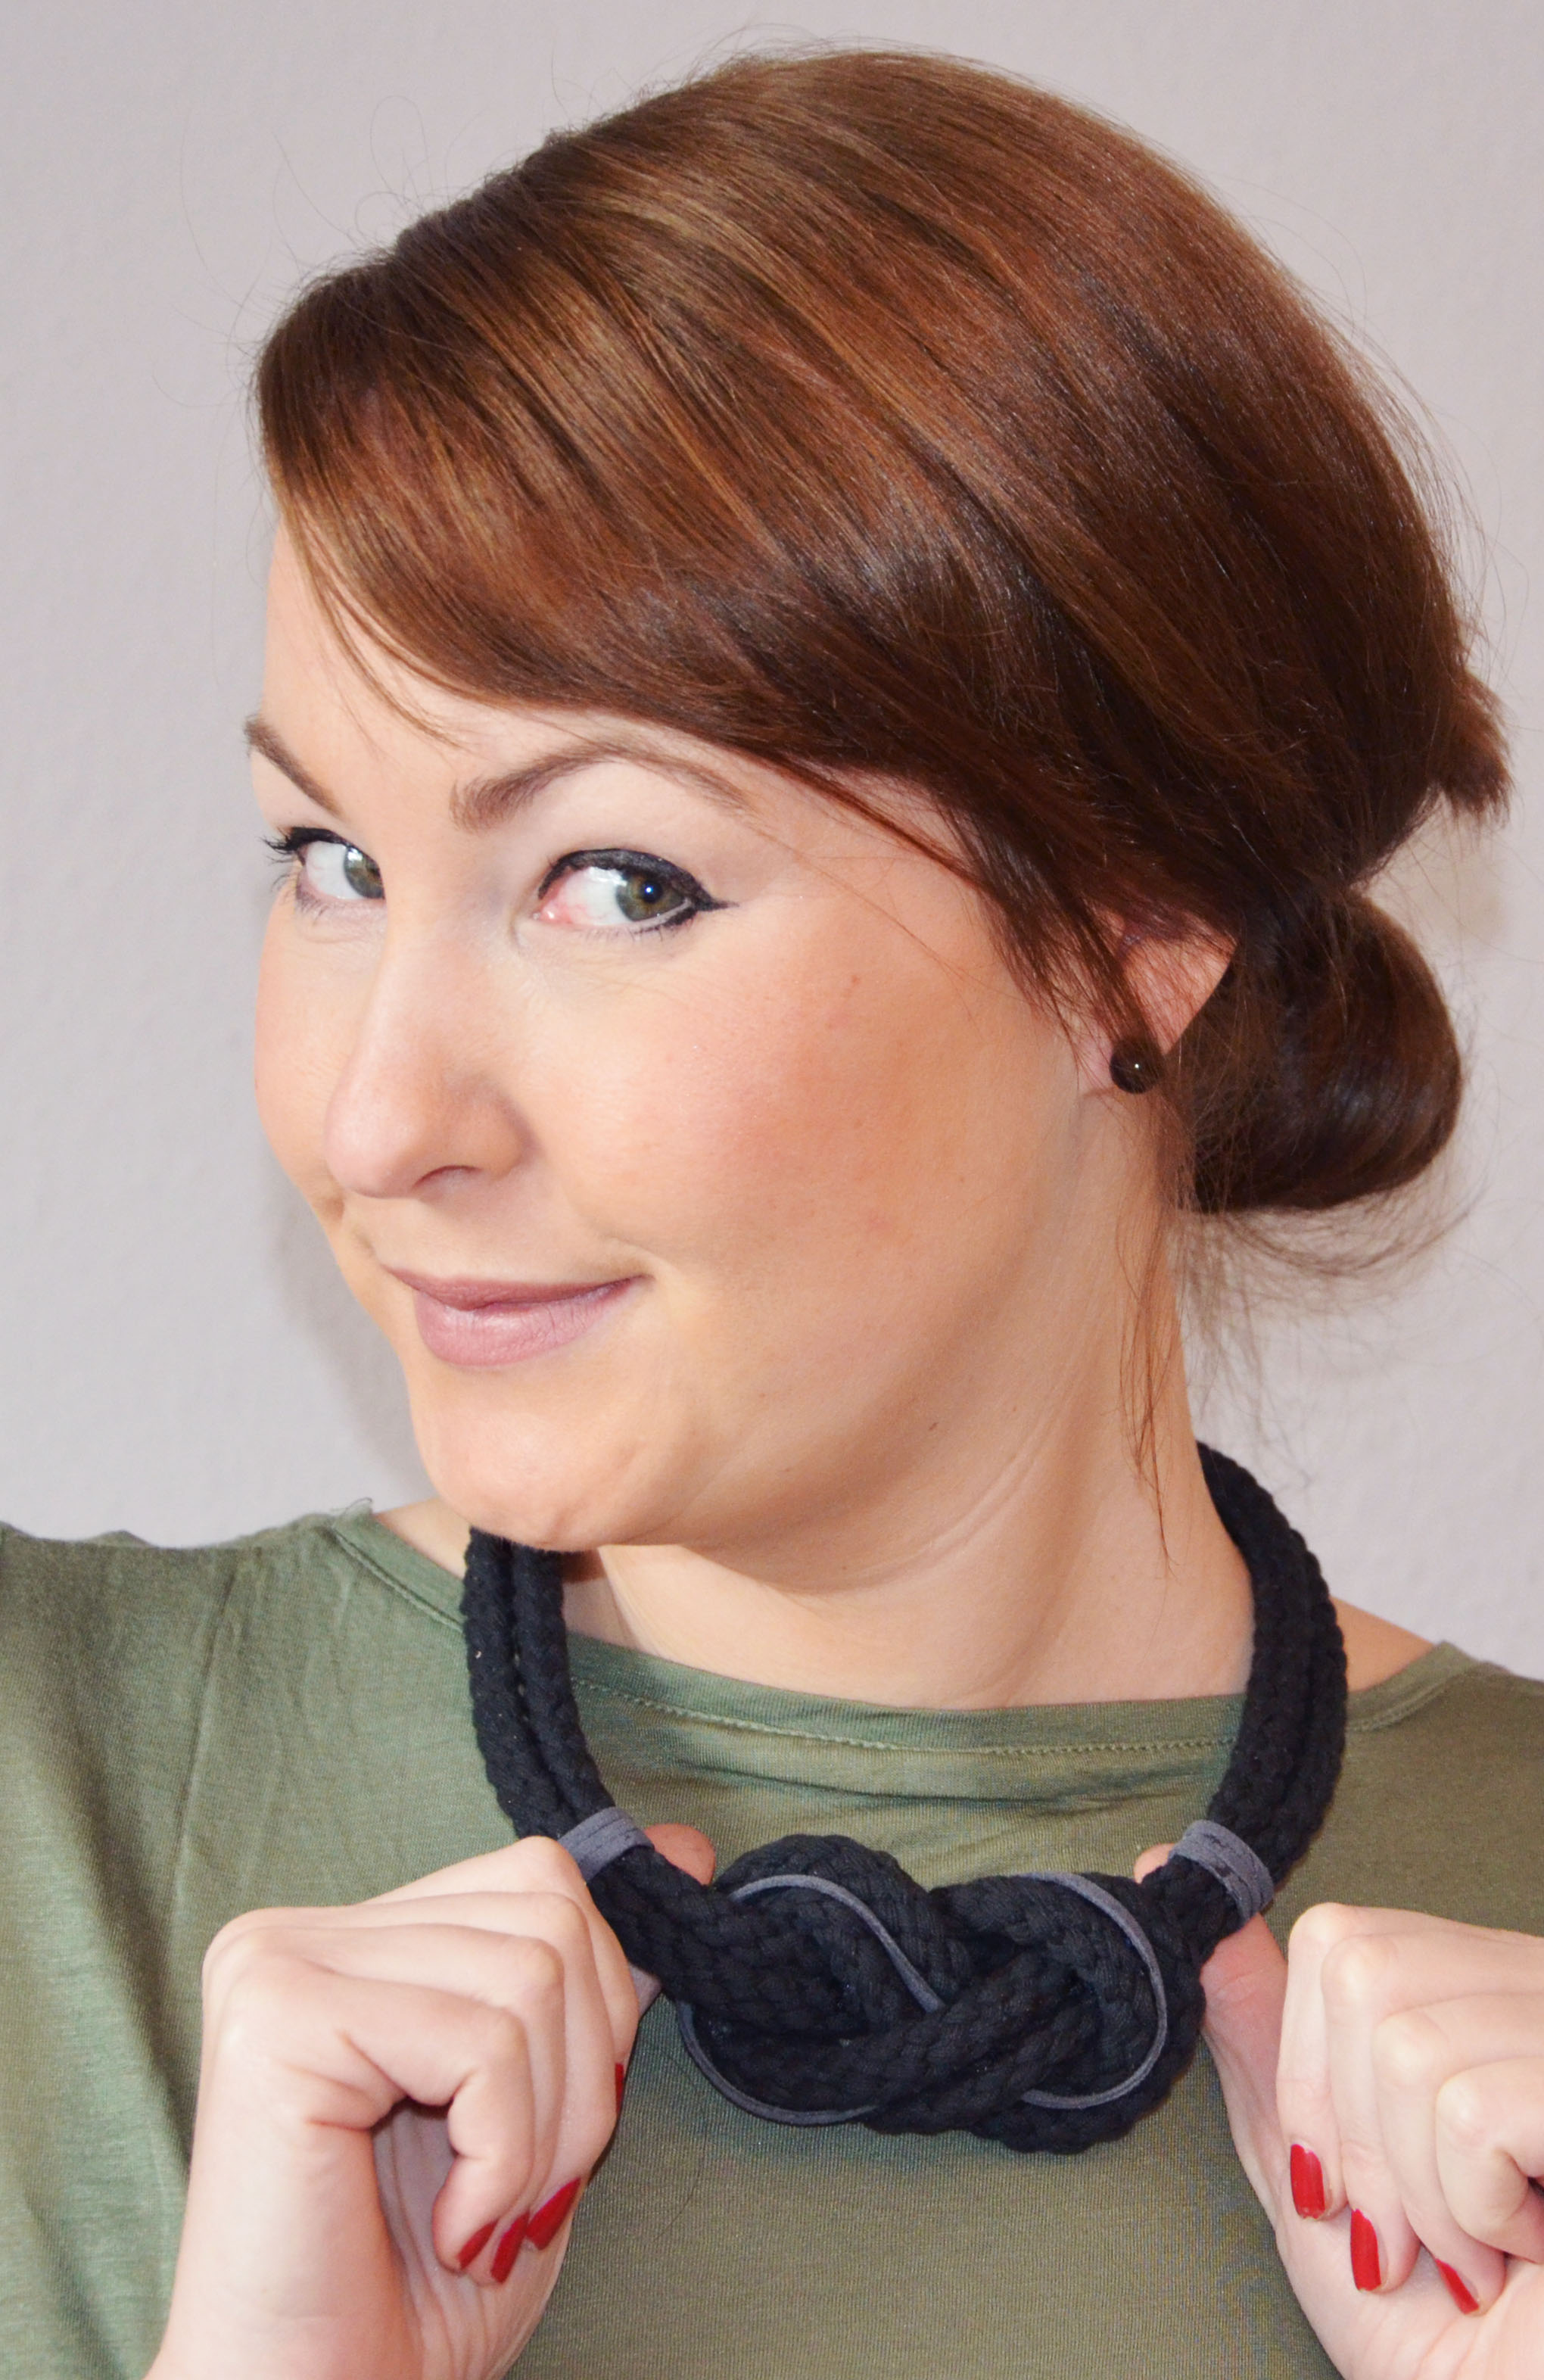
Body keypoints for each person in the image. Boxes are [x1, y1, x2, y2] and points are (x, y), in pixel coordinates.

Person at [2, 43, 1540, 2380]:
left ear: (1141, 926)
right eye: (329, 860)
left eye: (616, 881)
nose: (379, 1116)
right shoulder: (49, 1804)